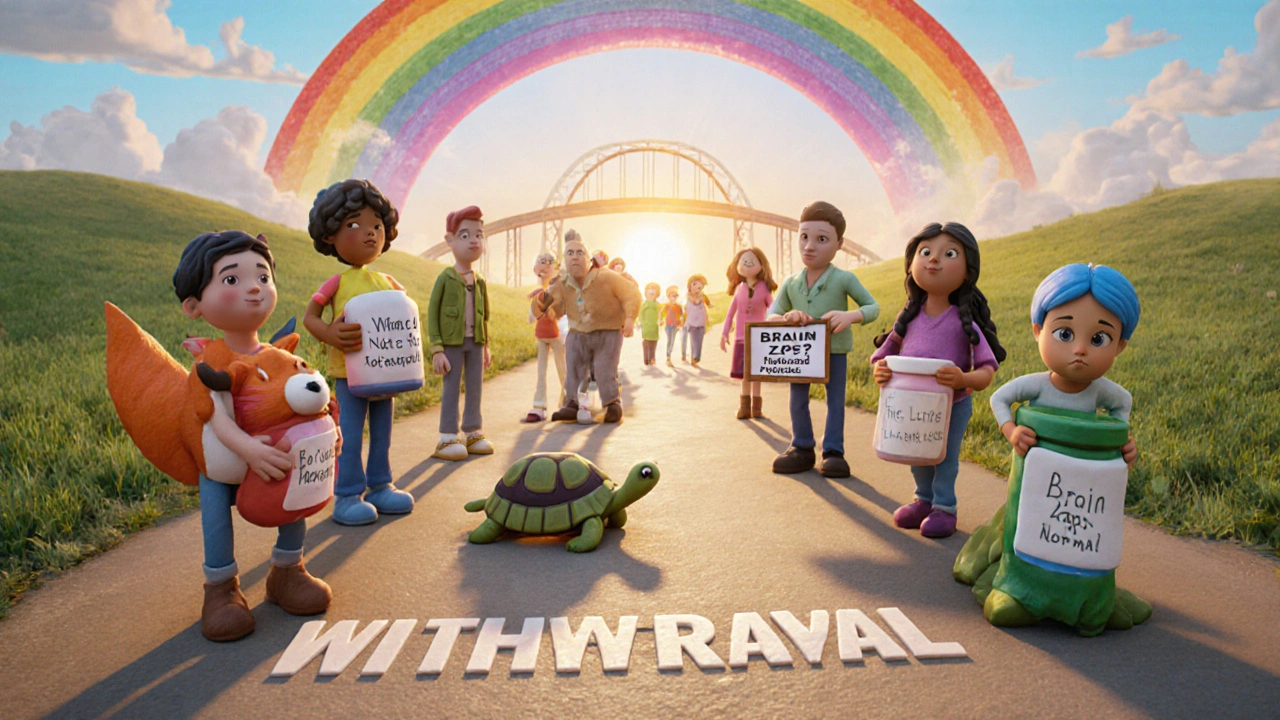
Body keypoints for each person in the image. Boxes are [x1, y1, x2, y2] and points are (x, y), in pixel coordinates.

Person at [175, 230, 332, 641]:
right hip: (228, 463)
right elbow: (215, 418)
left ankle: (287, 570)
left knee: (296, 505)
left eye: (263, 277)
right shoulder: (210, 363)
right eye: (231, 280)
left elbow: (306, 399)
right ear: (194, 305)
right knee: (213, 504)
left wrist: (326, 433)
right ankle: (221, 588)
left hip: (280, 459)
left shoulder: (278, 356)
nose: (254, 289)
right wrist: (247, 450)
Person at [984, 263, 1141, 635]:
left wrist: (1123, 447)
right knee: (1026, 525)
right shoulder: (1037, 386)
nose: (1081, 349)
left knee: (1084, 537)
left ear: (1119, 345)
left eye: (1099, 339)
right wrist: (1011, 430)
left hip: (1083, 492)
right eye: (1065, 333)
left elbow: (1122, 409)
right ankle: (1019, 588)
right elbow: (999, 398)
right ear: (1039, 331)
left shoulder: (1105, 392)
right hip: (1041, 478)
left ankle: (1090, 596)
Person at [870, 222, 1004, 538]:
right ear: (911, 263)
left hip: (952, 406)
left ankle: (945, 507)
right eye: (925, 252)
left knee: (943, 458)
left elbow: (987, 370)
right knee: (916, 455)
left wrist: (963, 378)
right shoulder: (909, 318)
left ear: (968, 270)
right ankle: (923, 499)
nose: (933, 260)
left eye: (949, 254)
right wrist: (881, 371)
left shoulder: (963, 321)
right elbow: (882, 356)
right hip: (910, 406)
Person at [304, 178, 415, 525]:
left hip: (388, 375)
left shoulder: (390, 283)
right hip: (349, 376)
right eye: (354, 225)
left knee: (383, 434)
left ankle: (381, 485)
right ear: (330, 236)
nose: (369, 233)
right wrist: (331, 334)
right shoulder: (337, 283)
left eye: (377, 226)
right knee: (350, 435)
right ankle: (348, 494)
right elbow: (311, 317)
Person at [768, 201, 879, 478]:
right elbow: (771, 316)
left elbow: (872, 307)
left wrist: (850, 316)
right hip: (800, 353)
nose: (809, 246)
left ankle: (833, 452)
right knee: (797, 399)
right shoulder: (790, 282)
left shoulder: (844, 279)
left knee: (835, 401)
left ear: (839, 244)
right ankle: (802, 446)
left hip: (834, 351)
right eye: (804, 237)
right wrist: (787, 318)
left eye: (821, 239)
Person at [534, 230, 640, 424]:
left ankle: (612, 403)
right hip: (579, 331)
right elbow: (554, 308)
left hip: (607, 329)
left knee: (603, 368)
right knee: (573, 364)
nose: (575, 258)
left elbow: (630, 294)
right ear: (565, 260)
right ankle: (572, 403)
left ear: (589, 258)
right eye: (570, 254)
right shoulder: (563, 283)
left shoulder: (606, 277)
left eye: (579, 253)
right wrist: (544, 303)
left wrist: (631, 318)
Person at [427, 205, 492, 460]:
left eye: (479, 235)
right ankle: (447, 436)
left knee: (475, 387)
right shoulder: (445, 277)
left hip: (475, 342)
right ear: (450, 240)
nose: (474, 241)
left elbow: (484, 315)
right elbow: (432, 314)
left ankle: (473, 431)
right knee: (451, 388)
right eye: (465, 235)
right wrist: (437, 349)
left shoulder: (480, 280)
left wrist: (486, 345)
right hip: (452, 344)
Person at [721, 247, 777, 418]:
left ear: (762, 265)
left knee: (757, 373)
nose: (747, 263)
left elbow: (773, 309)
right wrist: (724, 333)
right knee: (745, 374)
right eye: (743, 261)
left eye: (752, 261)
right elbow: (730, 313)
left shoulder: (764, 289)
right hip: (741, 338)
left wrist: (776, 324)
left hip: (760, 338)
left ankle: (757, 408)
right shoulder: (739, 289)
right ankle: (744, 407)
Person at [523, 252, 566, 422]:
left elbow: (562, 311)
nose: (545, 269)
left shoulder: (559, 290)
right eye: (542, 265)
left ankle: (566, 401)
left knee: (562, 369)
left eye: (549, 265)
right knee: (541, 371)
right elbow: (532, 313)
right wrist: (533, 315)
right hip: (541, 335)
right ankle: (539, 404)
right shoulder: (538, 293)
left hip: (557, 335)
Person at [683, 274, 711, 366]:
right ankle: (695, 358)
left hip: (701, 323)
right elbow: (684, 310)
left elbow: (706, 308)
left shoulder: (702, 297)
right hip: (691, 323)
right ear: (690, 284)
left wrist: (707, 321)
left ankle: (695, 357)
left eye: (699, 287)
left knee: (699, 341)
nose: (696, 288)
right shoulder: (686, 297)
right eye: (694, 284)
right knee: (694, 341)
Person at [639, 281, 662, 366]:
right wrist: (641, 321)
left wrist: (661, 321)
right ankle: (646, 358)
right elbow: (640, 313)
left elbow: (660, 313)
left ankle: (652, 358)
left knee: (654, 342)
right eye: (649, 289)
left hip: (655, 326)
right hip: (646, 325)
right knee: (646, 342)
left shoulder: (657, 304)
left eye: (654, 289)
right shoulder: (644, 303)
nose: (652, 291)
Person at [661, 285, 682, 367]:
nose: (674, 297)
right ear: (668, 296)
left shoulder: (678, 306)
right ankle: (668, 358)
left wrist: (680, 323)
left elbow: (681, 316)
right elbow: (662, 314)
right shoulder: (666, 306)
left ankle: (669, 356)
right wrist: (662, 321)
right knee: (670, 341)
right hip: (668, 326)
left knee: (672, 341)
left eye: (675, 295)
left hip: (675, 326)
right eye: (672, 295)